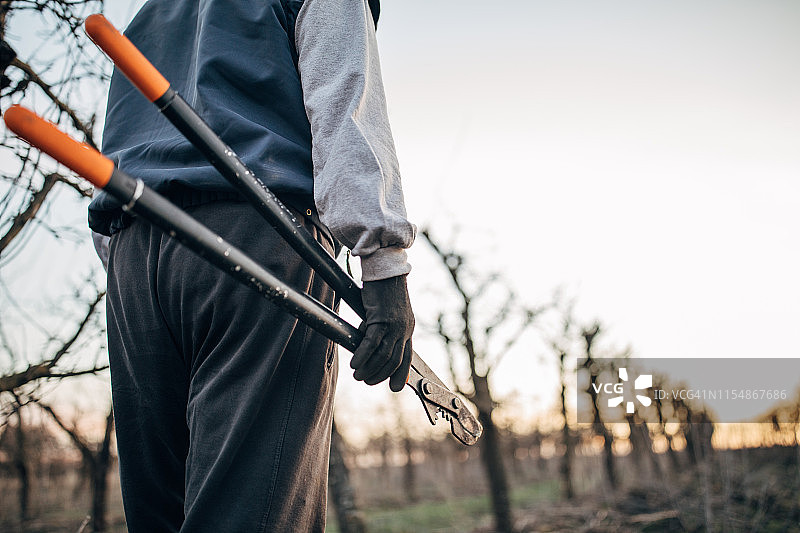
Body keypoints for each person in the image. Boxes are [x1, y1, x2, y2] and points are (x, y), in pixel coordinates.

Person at [88, 0, 415, 531]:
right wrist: (384, 266)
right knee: (252, 514)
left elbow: (118, 146)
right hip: (260, 234)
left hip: (132, 259)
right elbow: (344, 105)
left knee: (158, 516)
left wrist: (129, 267)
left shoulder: (148, 16)